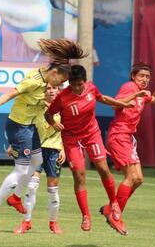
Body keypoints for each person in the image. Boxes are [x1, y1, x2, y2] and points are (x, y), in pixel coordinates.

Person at [0, 38, 87, 228]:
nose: (62, 84)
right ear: (54, 72)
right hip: (19, 126)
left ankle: (15, 198)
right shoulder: (33, 81)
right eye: (62, 80)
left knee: (37, 162)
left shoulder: (48, 79)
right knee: (21, 170)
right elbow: (13, 93)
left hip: (30, 128)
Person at [44, 64, 140, 235]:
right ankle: (86, 216)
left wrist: (122, 104)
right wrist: (53, 123)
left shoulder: (91, 89)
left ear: (85, 81)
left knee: (103, 168)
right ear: (69, 83)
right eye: (73, 84)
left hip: (91, 134)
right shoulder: (62, 97)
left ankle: (114, 203)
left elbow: (102, 98)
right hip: (72, 139)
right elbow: (48, 114)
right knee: (79, 174)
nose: (77, 87)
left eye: (80, 84)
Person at [101, 62, 155, 230]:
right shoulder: (129, 87)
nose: (145, 79)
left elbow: (154, 99)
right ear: (133, 76)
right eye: (142, 76)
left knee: (138, 179)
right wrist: (133, 96)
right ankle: (115, 216)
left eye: (148, 77)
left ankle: (109, 209)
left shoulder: (142, 93)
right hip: (119, 135)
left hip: (128, 137)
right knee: (131, 177)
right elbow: (114, 104)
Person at [12, 83, 65, 235]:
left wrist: (64, 149)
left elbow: (68, 130)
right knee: (31, 186)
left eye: (53, 88)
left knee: (52, 189)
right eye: (47, 88)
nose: (51, 90)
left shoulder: (63, 107)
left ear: (58, 90)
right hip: (36, 149)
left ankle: (53, 223)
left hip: (54, 150)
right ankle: (26, 222)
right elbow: (24, 125)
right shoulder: (36, 105)